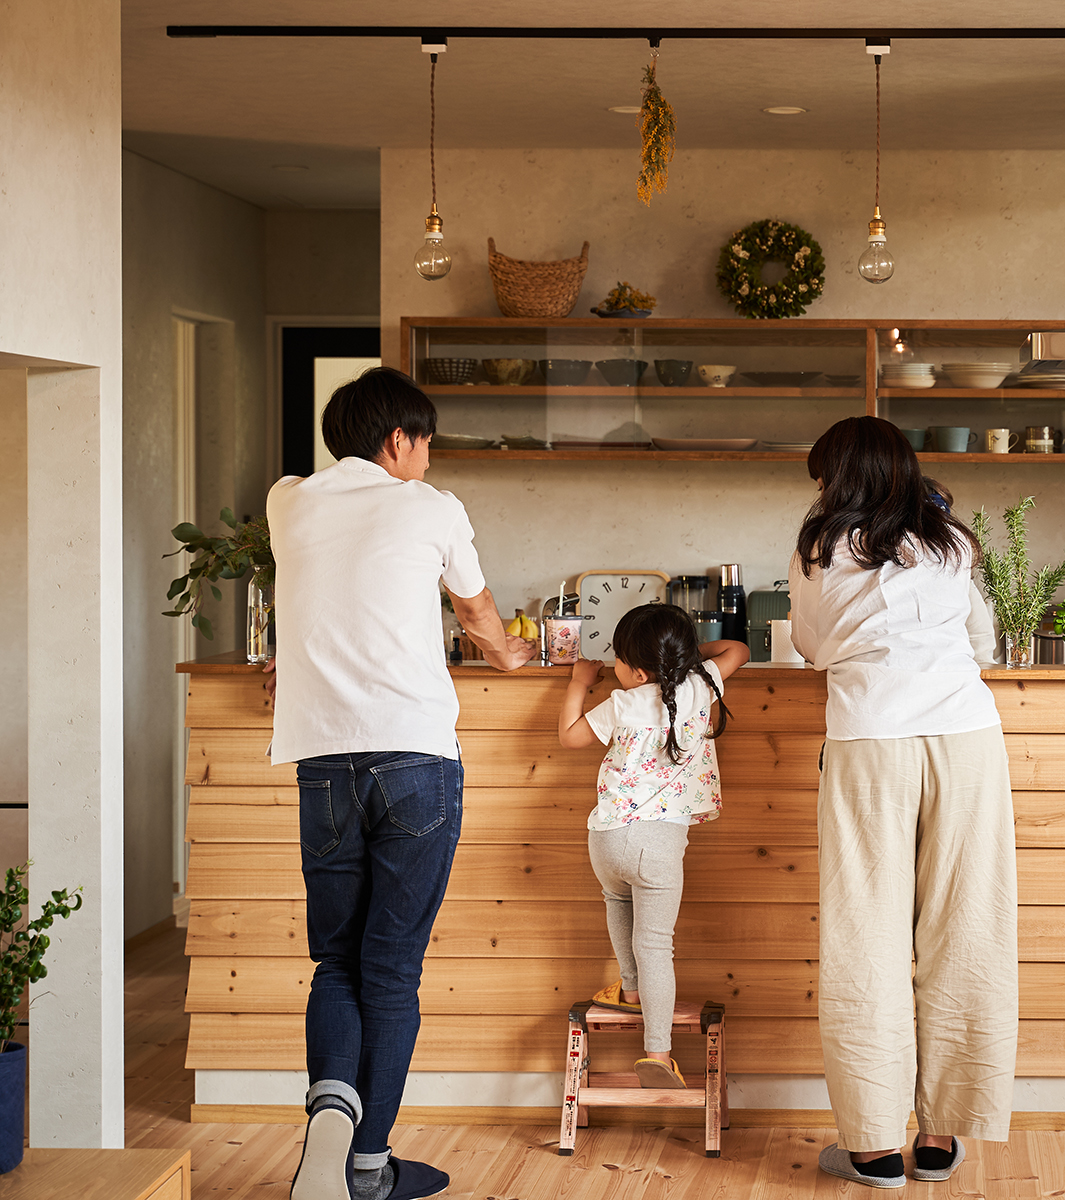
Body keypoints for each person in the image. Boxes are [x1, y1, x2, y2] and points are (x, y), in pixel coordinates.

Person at [265, 367, 537, 1200]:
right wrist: (511, 656)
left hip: (323, 765)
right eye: (426, 442)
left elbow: (332, 594)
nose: (429, 457)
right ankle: (369, 1167)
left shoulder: (288, 501)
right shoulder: (433, 507)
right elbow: (477, 612)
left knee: (335, 965)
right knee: (390, 970)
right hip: (416, 759)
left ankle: (328, 1126)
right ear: (399, 440)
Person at [788, 416, 1016, 1189]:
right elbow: (981, 643)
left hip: (871, 737)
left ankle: (875, 1146)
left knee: (867, 937)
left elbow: (814, 649)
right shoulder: (952, 540)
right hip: (966, 739)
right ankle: (941, 1138)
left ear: (840, 478)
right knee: (966, 929)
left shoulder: (820, 545)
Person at [556, 604, 748, 1085]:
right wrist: (682, 659)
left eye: (619, 659)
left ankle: (633, 990)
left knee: (615, 901)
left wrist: (579, 682)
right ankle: (658, 1055)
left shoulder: (624, 702)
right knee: (656, 943)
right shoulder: (701, 684)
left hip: (607, 837)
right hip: (659, 843)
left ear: (636, 670)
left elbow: (571, 737)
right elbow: (739, 649)